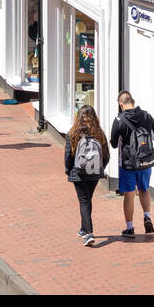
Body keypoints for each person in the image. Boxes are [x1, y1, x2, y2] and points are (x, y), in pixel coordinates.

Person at [110, 90, 154, 237]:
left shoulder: (119, 120)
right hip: (145, 160)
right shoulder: (147, 116)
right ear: (133, 101)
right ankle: (147, 216)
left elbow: (112, 143)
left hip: (128, 163)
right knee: (144, 189)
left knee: (129, 194)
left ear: (120, 104)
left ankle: (130, 228)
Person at [64, 105, 109, 247]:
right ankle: (83, 229)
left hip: (79, 172)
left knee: (84, 201)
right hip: (94, 172)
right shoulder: (99, 133)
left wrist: (68, 170)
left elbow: (68, 156)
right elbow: (106, 155)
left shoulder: (73, 133)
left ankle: (89, 233)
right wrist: (100, 168)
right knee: (87, 200)